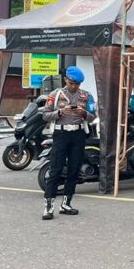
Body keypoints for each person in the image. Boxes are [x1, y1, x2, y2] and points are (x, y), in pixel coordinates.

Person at [40, 65, 96, 220]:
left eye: (77, 84)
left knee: (74, 170)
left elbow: (93, 116)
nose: (74, 86)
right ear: (65, 79)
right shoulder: (55, 94)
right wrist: (60, 112)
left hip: (78, 134)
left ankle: (66, 204)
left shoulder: (86, 96)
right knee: (56, 169)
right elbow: (45, 115)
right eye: (72, 83)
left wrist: (83, 113)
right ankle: (48, 206)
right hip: (61, 133)